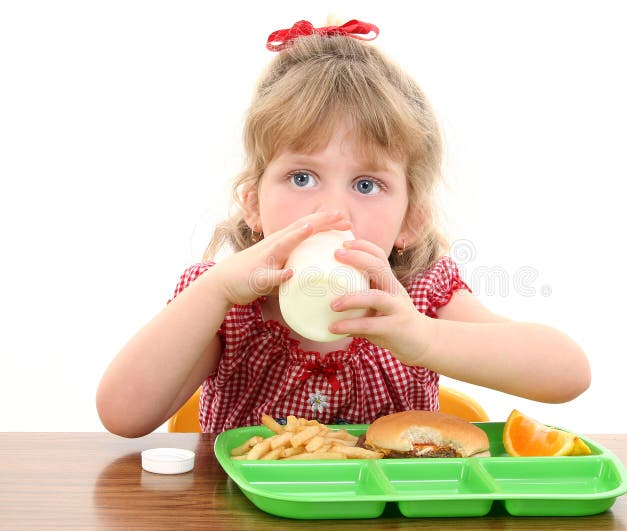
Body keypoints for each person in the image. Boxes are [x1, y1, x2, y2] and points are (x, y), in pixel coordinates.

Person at [96, 19, 590, 438]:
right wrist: (216, 290)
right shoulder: (227, 305)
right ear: (253, 204)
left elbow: (568, 372)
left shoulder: (419, 296)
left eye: (368, 185)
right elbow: (123, 415)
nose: (334, 210)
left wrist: (422, 337)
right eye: (302, 177)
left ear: (411, 221)